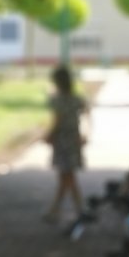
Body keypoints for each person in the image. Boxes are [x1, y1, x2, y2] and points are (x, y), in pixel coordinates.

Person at [42, 65, 90, 223]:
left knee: (66, 176)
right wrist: (85, 134)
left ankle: (72, 209)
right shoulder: (77, 99)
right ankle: (61, 209)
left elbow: (57, 120)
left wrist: (49, 135)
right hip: (73, 139)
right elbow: (87, 114)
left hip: (62, 141)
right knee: (66, 176)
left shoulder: (57, 100)